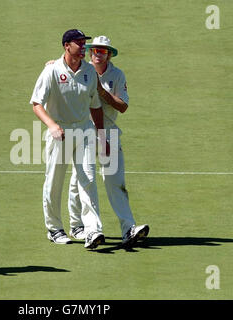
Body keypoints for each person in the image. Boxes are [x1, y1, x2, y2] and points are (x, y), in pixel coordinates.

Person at [67, 36, 150, 247]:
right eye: (94, 51)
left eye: (102, 52)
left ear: (109, 54)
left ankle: (128, 229)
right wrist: (50, 64)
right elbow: (62, 68)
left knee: (115, 182)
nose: (97, 55)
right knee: (82, 179)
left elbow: (122, 106)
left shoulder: (117, 75)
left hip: (110, 134)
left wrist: (102, 92)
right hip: (84, 133)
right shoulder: (83, 69)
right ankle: (78, 225)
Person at [30, 29, 107, 249]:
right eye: (79, 43)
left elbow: (95, 106)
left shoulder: (90, 73)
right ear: (66, 45)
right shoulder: (52, 71)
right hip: (60, 133)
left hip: (84, 131)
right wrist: (52, 125)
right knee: (54, 181)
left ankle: (92, 230)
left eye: (84, 43)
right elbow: (37, 104)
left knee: (88, 180)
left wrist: (101, 136)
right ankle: (54, 229)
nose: (83, 47)